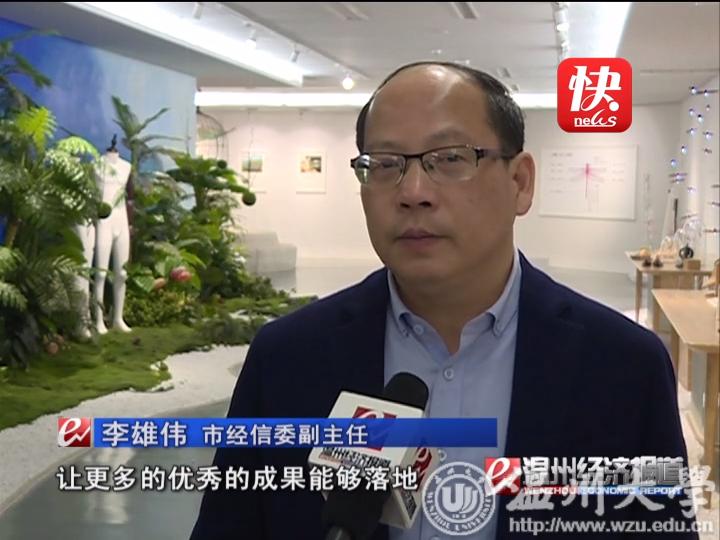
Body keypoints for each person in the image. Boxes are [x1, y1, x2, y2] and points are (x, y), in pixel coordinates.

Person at [190, 62, 698, 539]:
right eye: (384, 164)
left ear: (520, 183)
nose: (413, 191)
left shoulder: (625, 367)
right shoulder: (286, 359)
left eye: (450, 159)